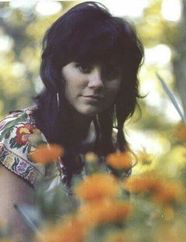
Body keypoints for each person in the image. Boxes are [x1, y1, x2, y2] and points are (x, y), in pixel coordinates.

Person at [0, 1, 144, 240]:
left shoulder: (111, 147)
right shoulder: (21, 136)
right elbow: (13, 237)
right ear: (57, 71)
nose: (97, 82)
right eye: (84, 67)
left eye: (110, 72)